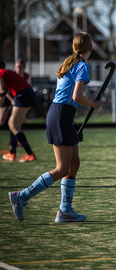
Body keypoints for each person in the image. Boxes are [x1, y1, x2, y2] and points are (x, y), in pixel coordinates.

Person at [8, 32, 101, 223]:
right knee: (62, 168)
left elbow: (67, 97)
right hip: (61, 115)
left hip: (62, 115)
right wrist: (94, 103)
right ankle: (22, 196)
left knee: (74, 164)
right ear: (90, 49)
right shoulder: (82, 66)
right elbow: (76, 97)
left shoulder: (68, 63)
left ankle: (65, 211)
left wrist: (72, 123)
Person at [0, 61, 37, 162]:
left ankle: (30, 154)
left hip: (22, 95)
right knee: (13, 124)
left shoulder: (1, 72)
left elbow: (2, 91)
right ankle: (13, 153)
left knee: (13, 124)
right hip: (27, 94)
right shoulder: (7, 73)